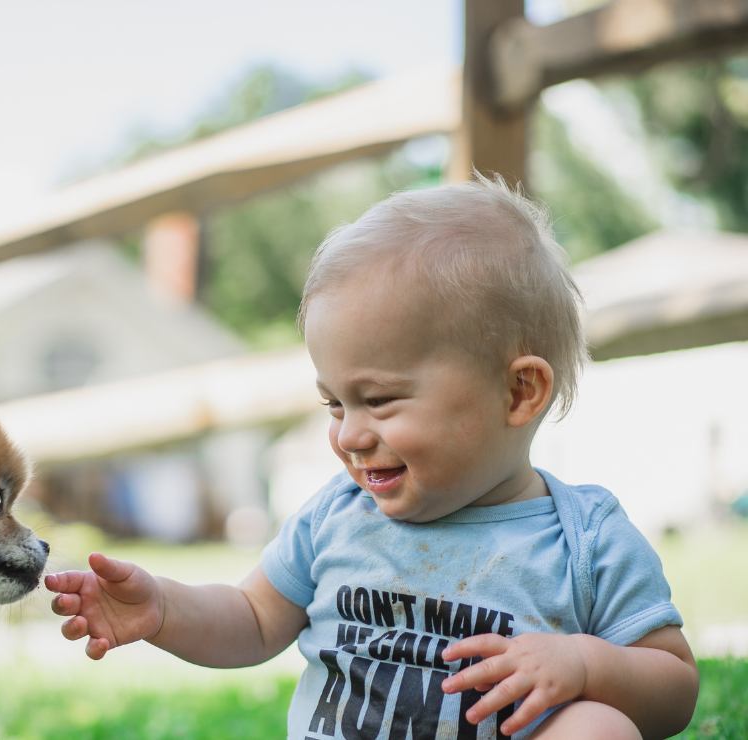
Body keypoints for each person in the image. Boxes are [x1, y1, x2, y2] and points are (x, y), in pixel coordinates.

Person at [44, 177, 699, 739]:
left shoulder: (584, 540)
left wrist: (584, 665)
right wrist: (164, 608)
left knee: (600, 727)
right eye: (334, 404)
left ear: (518, 391)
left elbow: (673, 685)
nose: (349, 435)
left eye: (380, 400)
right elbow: (251, 619)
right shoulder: (338, 515)